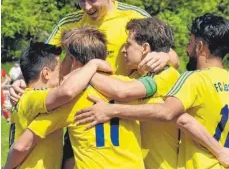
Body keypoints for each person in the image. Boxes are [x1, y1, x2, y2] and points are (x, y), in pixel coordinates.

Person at [9, 0, 179, 104]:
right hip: (79, 108)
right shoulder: (68, 23)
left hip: (125, 106)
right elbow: (41, 62)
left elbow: (171, 56)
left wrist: (164, 56)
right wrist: (24, 82)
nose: (87, 7)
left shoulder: (134, 16)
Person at [76, 13, 229, 168]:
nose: (123, 50)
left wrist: (85, 71)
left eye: (128, 44)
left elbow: (172, 114)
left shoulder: (177, 76)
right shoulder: (137, 76)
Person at [4, 27, 152, 169]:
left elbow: (22, 145)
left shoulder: (70, 101)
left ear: (73, 61)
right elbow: (163, 110)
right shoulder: (131, 86)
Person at [4, 41, 112, 169]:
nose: (63, 75)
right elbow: (66, 92)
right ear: (46, 73)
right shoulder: (35, 96)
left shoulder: (25, 96)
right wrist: (92, 65)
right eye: (60, 70)